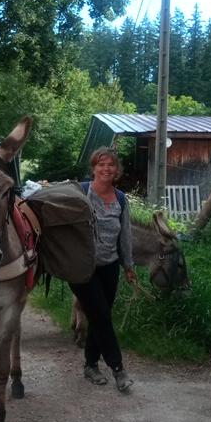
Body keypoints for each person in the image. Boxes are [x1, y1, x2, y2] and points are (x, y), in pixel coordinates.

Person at [70, 147, 137, 393]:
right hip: (81, 268)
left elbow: (125, 236)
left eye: (110, 165)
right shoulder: (80, 192)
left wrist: (128, 266)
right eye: (101, 164)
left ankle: (90, 365)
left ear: (117, 170)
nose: (106, 169)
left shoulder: (120, 199)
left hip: (109, 266)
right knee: (102, 316)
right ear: (93, 168)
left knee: (100, 317)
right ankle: (118, 369)